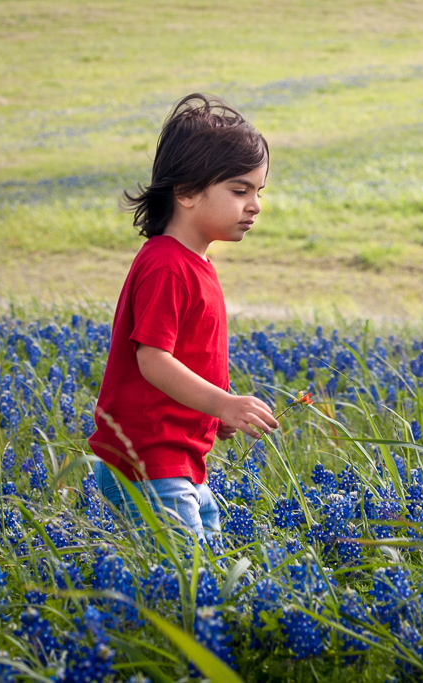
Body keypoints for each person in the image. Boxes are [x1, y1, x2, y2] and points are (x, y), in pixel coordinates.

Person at [87, 93, 279, 543]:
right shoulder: (167, 265)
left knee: (203, 569)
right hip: (150, 464)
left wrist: (215, 415)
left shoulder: (194, 263)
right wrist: (222, 403)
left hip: (179, 460)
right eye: (239, 190)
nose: (254, 205)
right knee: (185, 582)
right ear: (187, 192)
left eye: (258, 192)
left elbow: (186, 362)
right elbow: (152, 360)